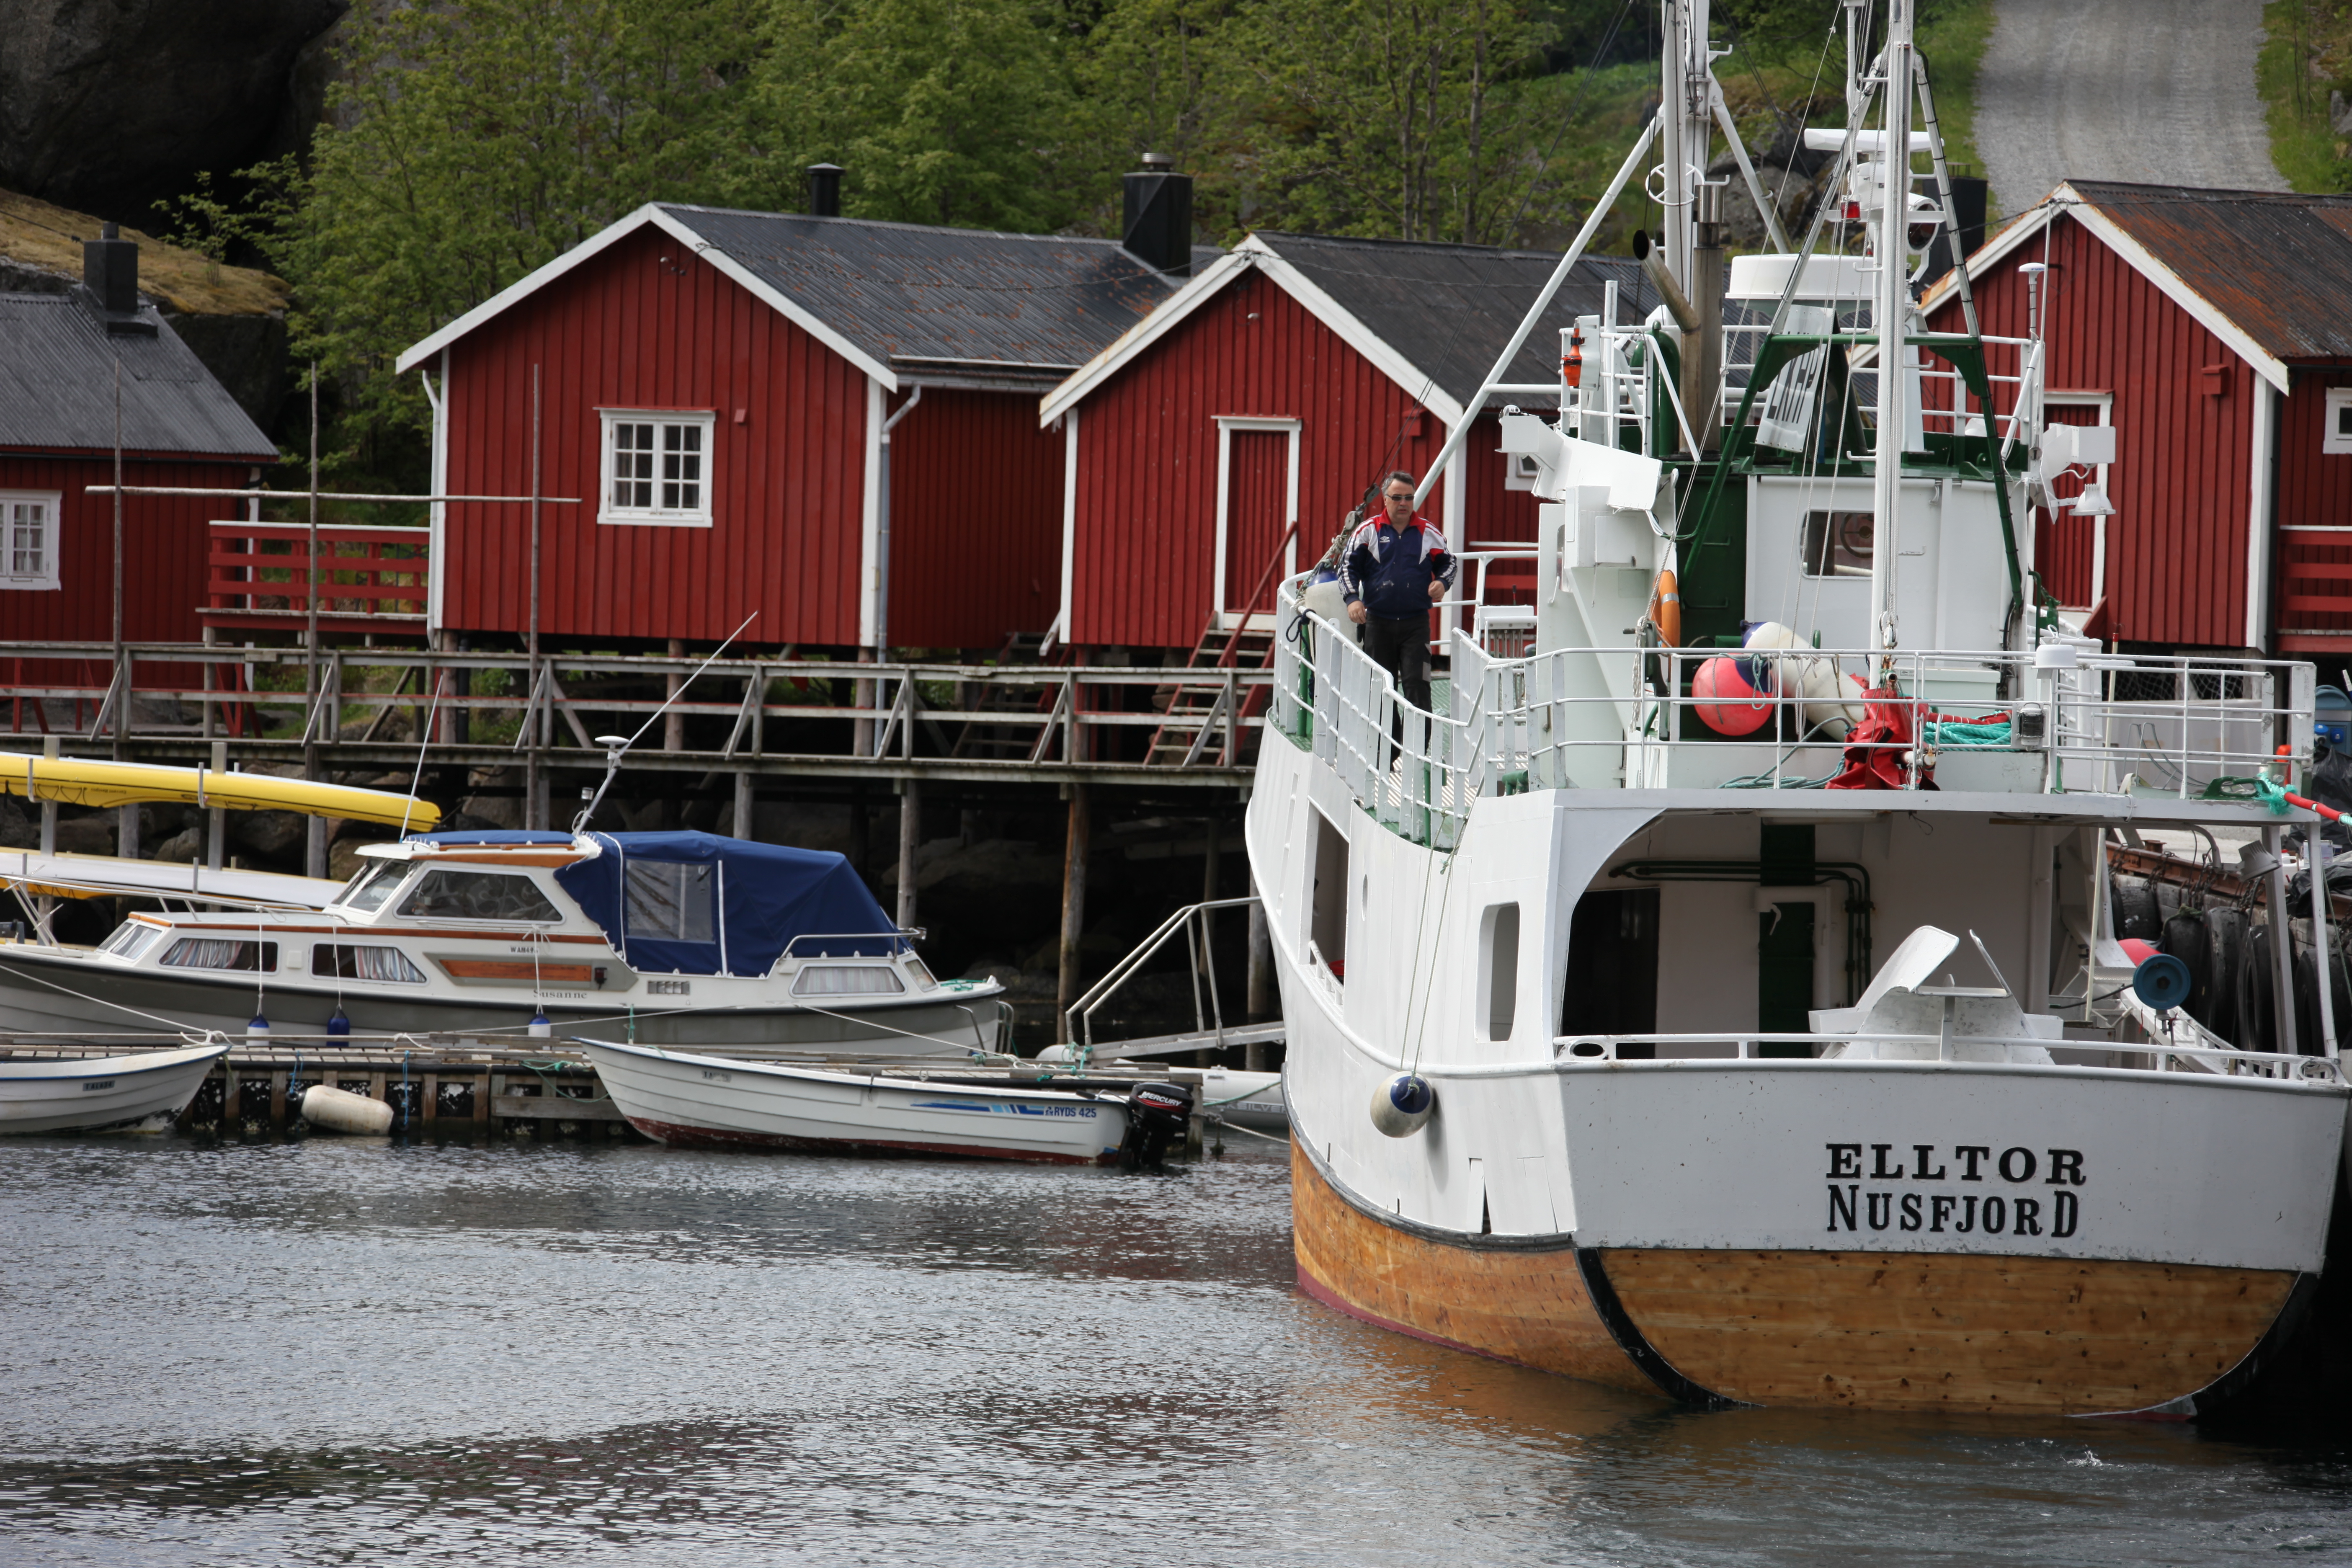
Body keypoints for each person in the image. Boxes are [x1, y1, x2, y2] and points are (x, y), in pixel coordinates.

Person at [1340, 471, 1455, 716]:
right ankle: (1387, 750)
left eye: (1409, 497)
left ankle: (1419, 750)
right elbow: (1346, 566)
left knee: (1419, 686)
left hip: (1416, 625)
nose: (1403, 503)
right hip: (1378, 623)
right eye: (1397, 497)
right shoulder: (1368, 532)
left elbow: (1450, 563)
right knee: (1380, 689)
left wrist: (1443, 583)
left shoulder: (1428, 532)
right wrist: (1352, 600)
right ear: (1385, 499)